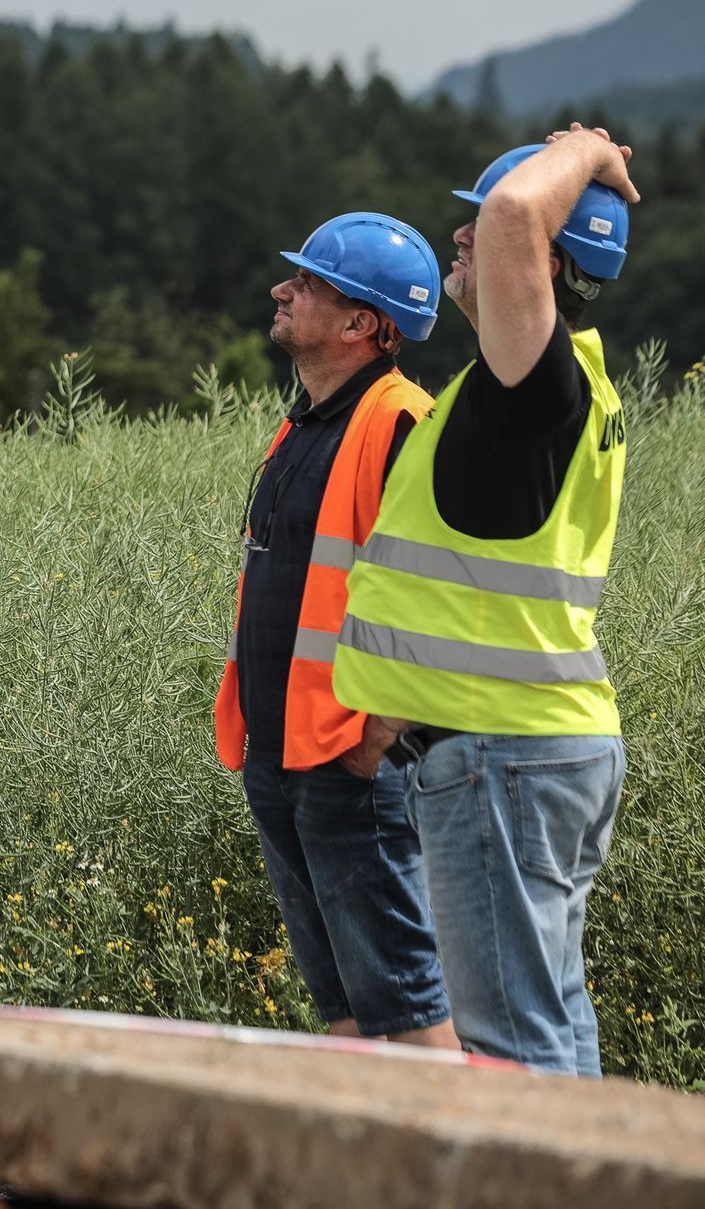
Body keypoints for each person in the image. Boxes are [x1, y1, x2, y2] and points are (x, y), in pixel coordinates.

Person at [333, 127, 640, 1075]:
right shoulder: (537, 388)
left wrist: (587, 151)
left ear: (546, 258)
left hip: (503, 754)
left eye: (477, 227)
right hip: (525, 742)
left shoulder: (533, 380)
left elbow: (512, 213)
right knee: (549, 1026)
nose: (460, 238)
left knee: (512, 1048)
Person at [215, 213, 460, 1049]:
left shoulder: (401, 422)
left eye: (309, 282)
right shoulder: (302, 426)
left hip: (350, 759)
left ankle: (450, 1172)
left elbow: (439, 600)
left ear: (362, 324)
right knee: (346, 1006)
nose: (283, 289)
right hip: (285, 752)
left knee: (407, 998)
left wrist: (377, 741)